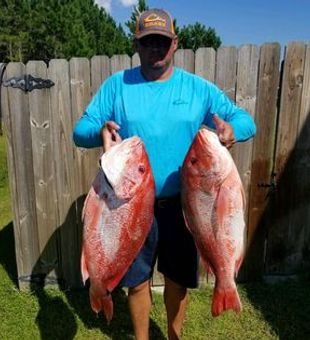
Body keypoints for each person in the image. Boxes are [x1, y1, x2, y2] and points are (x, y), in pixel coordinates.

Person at [73, 8, 256, 340]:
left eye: (161, 42)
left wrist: (232, 131)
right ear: (137, 45)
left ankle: (174, 335)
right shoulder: (117, 86)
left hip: (186, 208)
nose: (155, 49)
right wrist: (98, 129)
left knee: (177, 279)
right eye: (147, 43)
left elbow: (245, 120)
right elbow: (80, 131)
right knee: (137, 281)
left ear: (175, 43)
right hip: (129, 208)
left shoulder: (198, 89)